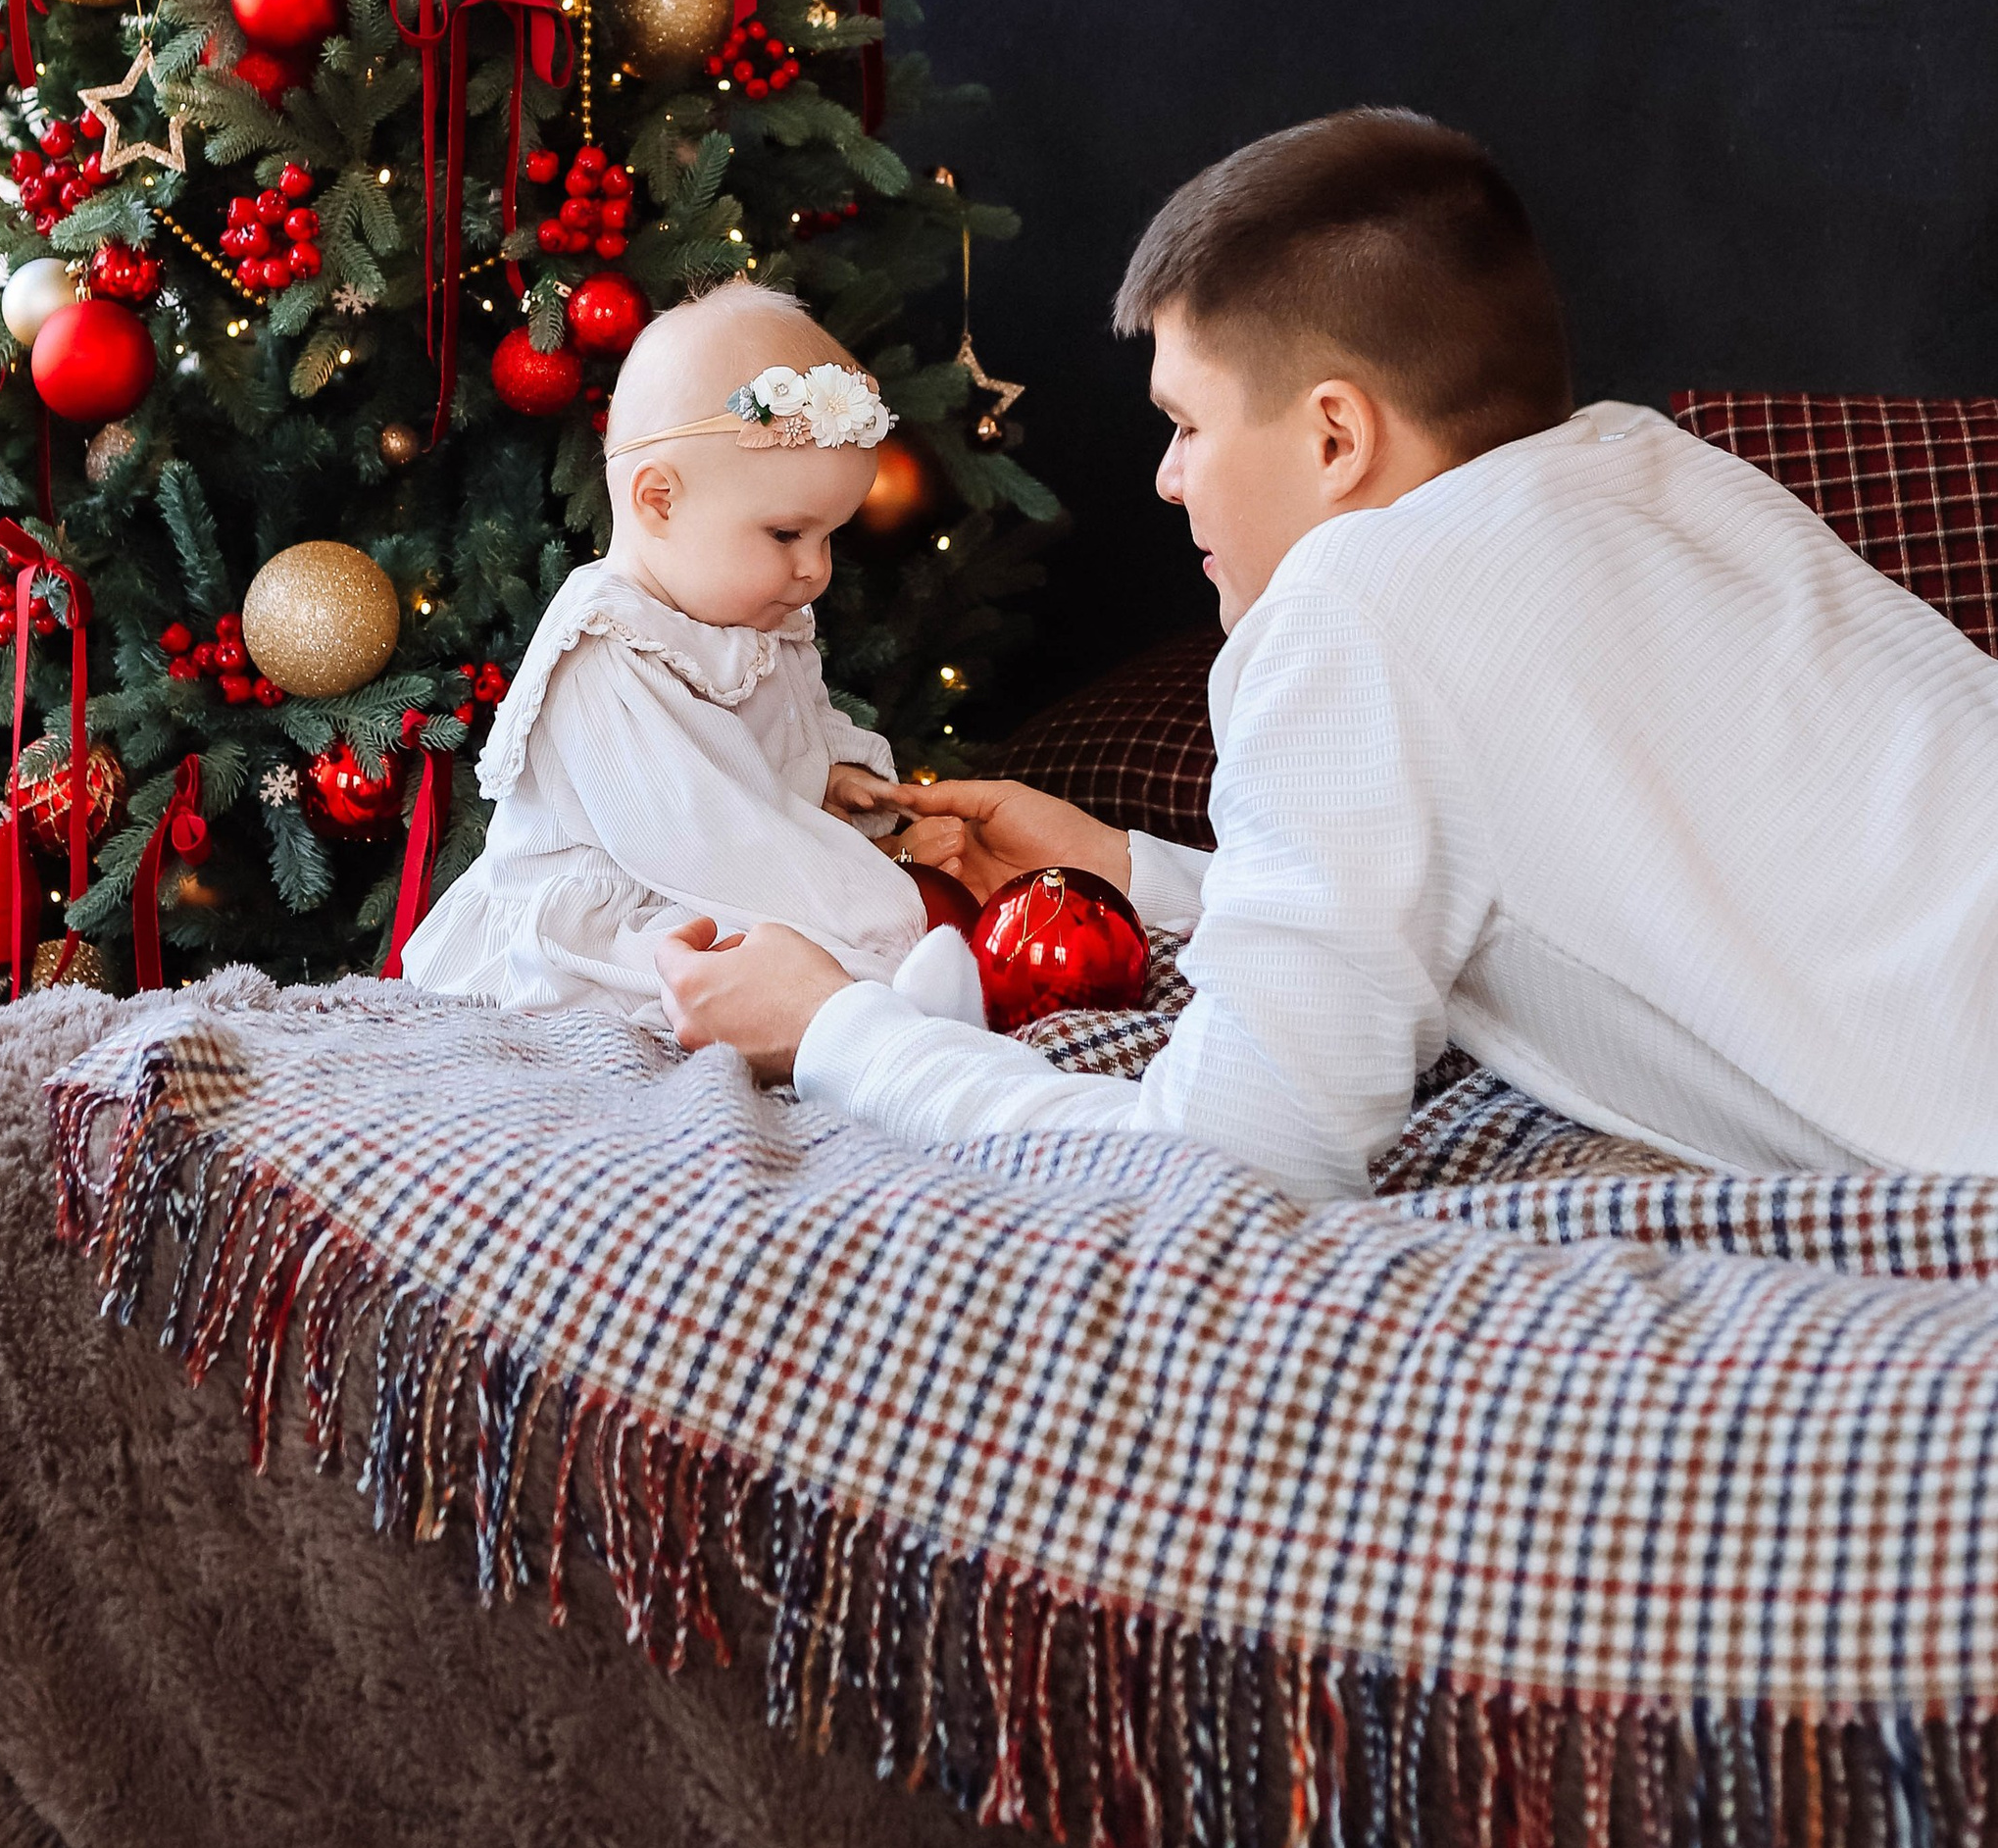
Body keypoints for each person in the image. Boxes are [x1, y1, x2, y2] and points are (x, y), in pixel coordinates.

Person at [657, 106, 1998, 1196]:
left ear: (1334, 439)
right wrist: (1128, 870)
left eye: (1184, 425)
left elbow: (1227, 1164)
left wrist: (834, 1025)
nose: (1170, 482)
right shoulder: (1653, 466)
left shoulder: (1355, 609)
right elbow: (1496, 882)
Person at [400, 284, 977, 1028]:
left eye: (829, 536)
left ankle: (884, 987)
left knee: (768, 953)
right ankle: (891, 988)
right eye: (787, 534)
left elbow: (789, 732)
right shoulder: (603, 651)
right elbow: (708, 836)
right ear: (658, 502)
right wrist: (890, 911)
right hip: (621, 904)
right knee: (708, 970)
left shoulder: (752, 612)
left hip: (718, 869)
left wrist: (829, 775)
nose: (817, 570)